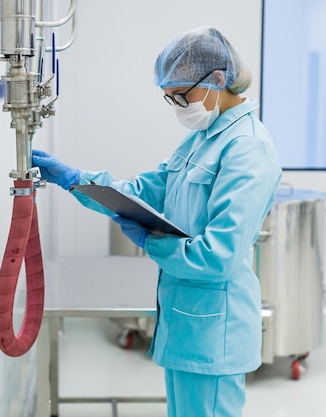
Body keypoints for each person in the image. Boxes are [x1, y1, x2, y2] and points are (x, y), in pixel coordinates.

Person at [33, 26, 282, 417]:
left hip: (214, 328)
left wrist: (151, 243)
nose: (178, 106)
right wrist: (76, 180)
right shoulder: (203, 139)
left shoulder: (247, 148)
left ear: (218, 79)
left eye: (181, 95)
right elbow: (142, 191)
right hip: (186, 323)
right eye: (170, 98)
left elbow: (219, 256)